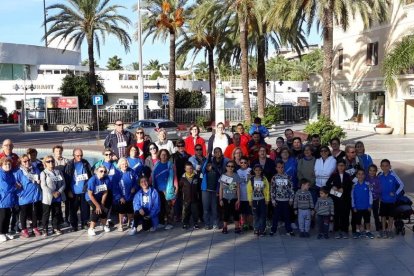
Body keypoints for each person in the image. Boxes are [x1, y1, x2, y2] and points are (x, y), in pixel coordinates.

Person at [64, 148, 92, 231]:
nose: (80, 157)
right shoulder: (69, 164)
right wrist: (68, 190)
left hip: (84, 190)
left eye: (81, 155)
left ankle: (85, 223)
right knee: (73, 209)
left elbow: (90, 175)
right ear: (73, 155)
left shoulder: (85, 163)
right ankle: (74, 225)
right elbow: (66, 179)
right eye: (77, 155)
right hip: (73, 191)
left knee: (85, 208)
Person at [15, 154, 42, 238]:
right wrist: (20, 193)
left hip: (34, 195)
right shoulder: (18, 172)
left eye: (28, 160)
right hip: (24, 196)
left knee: (34, 213)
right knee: (24, 213)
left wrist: (40, 181)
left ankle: (35, 227)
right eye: (25, 161)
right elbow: (15, 184)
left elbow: (40, 177)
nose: (27, 162)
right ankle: (24, 229)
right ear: (21, 162)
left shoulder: (35, 169)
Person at [325, 160, 353, 239]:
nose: (341, 167)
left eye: (342, 165)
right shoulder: (334, 175)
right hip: (336, 199)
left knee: (345, 215)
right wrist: (333, 187)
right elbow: (327, 184)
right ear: (337, 166)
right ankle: (336, 230)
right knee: (336, 215)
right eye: (339, 165)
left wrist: (343, 189)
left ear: (345, 167)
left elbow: (350, 186)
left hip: (345, 199)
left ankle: (344, 230)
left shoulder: (347, 175)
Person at [152, 149, 177, 230]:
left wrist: (175, 188)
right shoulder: (156, 165)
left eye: (165, 154)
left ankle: (170, 223)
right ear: (159, 155)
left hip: (167, 189)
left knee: (168, 206)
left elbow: (174, 178)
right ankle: (161, 222)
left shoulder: (170, 165)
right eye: (162, 154)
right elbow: (153, 177)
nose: (164, 156)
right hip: (158, 189)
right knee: (160, 206)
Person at [378, 159, 404, 238]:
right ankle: (384, 230)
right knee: (383, 216)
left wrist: (395, 193)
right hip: (383, 200)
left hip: (392, 200)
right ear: (381, 167)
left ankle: (389, 230)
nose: (385, 167)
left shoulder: (393, 175)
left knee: (391, 216)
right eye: (383, 166)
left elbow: (401, 185)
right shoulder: (379, 176)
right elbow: (376, 186)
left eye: (387, 165)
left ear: (390, 166)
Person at [40, 155, 66, 236]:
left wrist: (59, 192)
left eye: (52, 161)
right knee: (46, 214)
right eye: (48, 161)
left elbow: (63, 183)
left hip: (57, 197)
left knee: (56, 213)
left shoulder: (58, 172)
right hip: (48, 197)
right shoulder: (43, 173)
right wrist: (52, 193)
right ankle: (45, 229)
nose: (51, 163)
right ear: (45, 163)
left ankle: (56, 227)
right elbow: (43, 186)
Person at [112, 158, 138, 232]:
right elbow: (115, 188)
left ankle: (130, 222)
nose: (125, 165)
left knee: (130, 211)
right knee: (122, 211)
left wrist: (134, 187)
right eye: (123, 164)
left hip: (130, 196)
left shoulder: (131, 171)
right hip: (122, 197)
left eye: (126, 163)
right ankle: (121, 224)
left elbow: (137, 181)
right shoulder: (117, 174)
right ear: (119, 165)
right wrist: (119, 197)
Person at [270, 161, 294, 236]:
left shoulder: (288, 177)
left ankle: (289, 230)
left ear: (284, 167)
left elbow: (291, 188)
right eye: (279, 167)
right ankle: (273, 230)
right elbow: (272, 189)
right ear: (276, 168)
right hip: (277, 200)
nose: (280, 169)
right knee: (276, 216)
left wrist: (291, 199)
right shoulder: (274, 177)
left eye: (282, 167)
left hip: (286, 201)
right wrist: (273, 200)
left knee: (287, 216)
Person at [85, 165, 111, 236]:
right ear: (96, 172)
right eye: (101, 171)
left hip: (100, 197)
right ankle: (91, 228)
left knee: (104, 209)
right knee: (97, 210)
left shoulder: (106, 179)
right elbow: (90, 194)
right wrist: (97, 206)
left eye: (104, 171)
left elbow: (105, 192)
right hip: (90, 197)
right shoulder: (92, 180)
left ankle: (104, 225)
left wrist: (102, 204)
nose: (103, 173)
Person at [219, 160, 241, 234]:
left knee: (236, 213)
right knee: (226, 213)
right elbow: (221, 188)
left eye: (232, 166)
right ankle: (225, 227)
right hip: (225, 198)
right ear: (226, 167)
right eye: (228, 166)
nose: (230, 167)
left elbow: (238, 188)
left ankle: (237, 227)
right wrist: (220, 199)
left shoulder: (236, 176)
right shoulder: (223, 176)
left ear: (234, 168)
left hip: (234, 198)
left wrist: (238, 199)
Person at [247, 164, 270, 236]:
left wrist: (267, 199)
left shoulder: (264, 179)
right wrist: (250, 200)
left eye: (259, 170)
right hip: (254, 200)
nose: (258, 171)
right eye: (256, 170)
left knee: (262, 215)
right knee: (256, 215)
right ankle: (256, 229)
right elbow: (249, 190)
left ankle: (262, 229)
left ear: (261, 171)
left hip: (262, 200)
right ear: (254, 171)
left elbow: (267, 189)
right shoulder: (251, 179)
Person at [0, 157, 19, 242]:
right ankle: (1, 233)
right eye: (5, 164)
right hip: (2, 200)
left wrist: (15, 186)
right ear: (1, 165)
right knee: (2, 217)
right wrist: (15, 187)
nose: (8, 165)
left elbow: (14, 183)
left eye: (9, 164)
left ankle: (5, 232)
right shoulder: (1, 174)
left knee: (8, 216)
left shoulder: (10, 173)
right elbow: (6, 187)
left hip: (10, 199)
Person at [351, 169, 374, 239]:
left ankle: (368, 232)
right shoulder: (354, 186)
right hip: (357, 207)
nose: (360, 175)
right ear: (356, 175)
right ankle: (358, 232)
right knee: (358, 221)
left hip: (366, 207)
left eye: (362, 174)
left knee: (367, 221)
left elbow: (370, 196)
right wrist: (353, 206)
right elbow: (352, 197)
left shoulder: (368, 185)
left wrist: (370, 205)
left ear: (364, 175)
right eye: (359, 174)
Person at [179, 162, 200, 230]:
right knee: (186, 212)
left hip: (194, 198)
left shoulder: (196, 176)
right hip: (186, 198)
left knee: (195, 211)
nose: (189, 170)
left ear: (192, 168)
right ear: (185, 169)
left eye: (191, 168)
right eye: (187, 169)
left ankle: (195, 223)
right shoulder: (182, 178)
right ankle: (185, 223)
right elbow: (180, 187)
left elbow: (199, 187)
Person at [201, 162, 219, 230]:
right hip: (205, 191)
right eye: (208, 166)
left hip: (214, 192)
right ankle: (207, 224)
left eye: (210, 165)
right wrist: (208, 156)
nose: (209, 167)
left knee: (214, 208)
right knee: (206, 208)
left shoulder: (216, 172)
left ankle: (215, 223)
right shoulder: (204, 172)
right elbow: (204, 166)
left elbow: (218, 182)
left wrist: (217, 191)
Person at [237, 156, 252, 231]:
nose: (243, 164)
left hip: (249, 195)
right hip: (241, 195)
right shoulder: (237, 171)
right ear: (239, 163)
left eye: (245, 163)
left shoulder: (250, 170)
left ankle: (249, 224)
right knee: (242, 212)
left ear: (248, 163)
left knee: (249, 212)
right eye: (241, 162)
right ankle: (243, 224)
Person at [365, 164, 382, 234]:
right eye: (370, 170)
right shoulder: (366, 178)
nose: (372, 172)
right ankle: (367, 229)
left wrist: (372, 189)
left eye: (374, 171)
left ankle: (378, 229)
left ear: (376, 171)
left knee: (376, 215)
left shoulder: (378, 179)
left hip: (375, 200)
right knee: (367, 215)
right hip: (367, 201)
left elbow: (380, 190)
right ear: (368, 171)